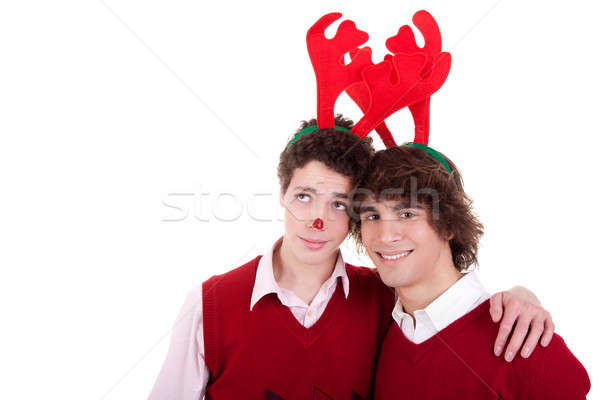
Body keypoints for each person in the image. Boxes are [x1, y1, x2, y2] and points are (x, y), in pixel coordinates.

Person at [148, 117, 555, 400]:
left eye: (339, 204)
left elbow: (447, 305)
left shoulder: (385, 297)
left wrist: (522, 295)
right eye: (304, 197)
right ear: (282, 195)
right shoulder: (210, 305)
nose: (318, 220)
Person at [351, 145, 590, 399]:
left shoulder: (528, 348)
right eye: (373, 216)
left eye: (407, 213)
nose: (386, 237)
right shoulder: (379, 332)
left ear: (448, 225)